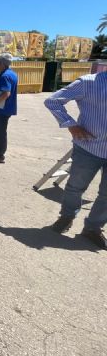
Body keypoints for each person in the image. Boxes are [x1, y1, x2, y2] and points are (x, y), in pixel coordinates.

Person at [44, 71, 107, 250]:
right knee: (75, 187)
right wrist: (71, 125)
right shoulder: (88, 82)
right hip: (89, 148)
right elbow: (53, 101)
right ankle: (67, 217)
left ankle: (93, 228)